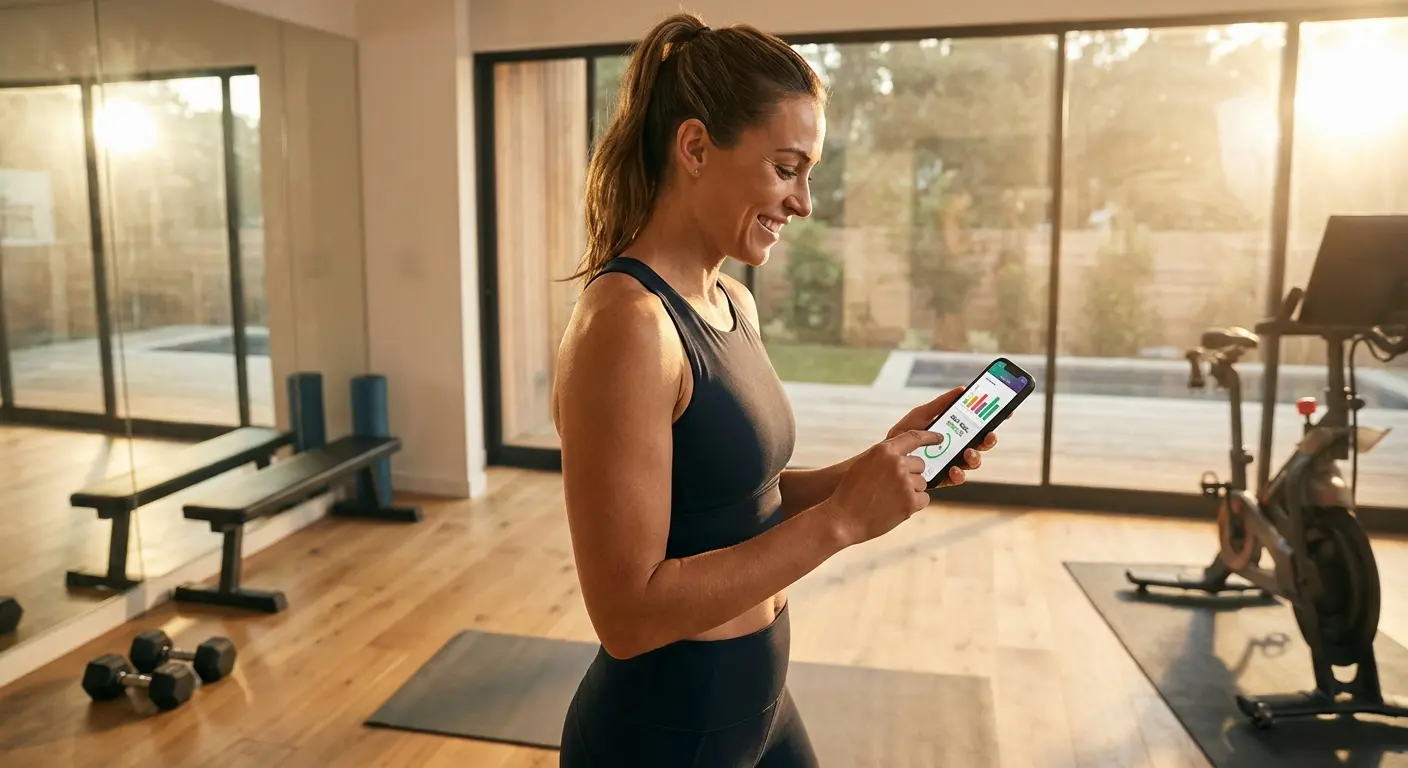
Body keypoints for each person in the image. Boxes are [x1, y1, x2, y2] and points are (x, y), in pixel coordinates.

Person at [551, 13, 999, 767]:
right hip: (667, 734)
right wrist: (844, 523)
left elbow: (742, 503)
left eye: (809, 173)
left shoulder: (730, 299)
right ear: (695, 147)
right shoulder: (625, 326)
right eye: (786, 168)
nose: (804, 202)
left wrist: (879, 465)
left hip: (757, 701)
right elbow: (626, 614)